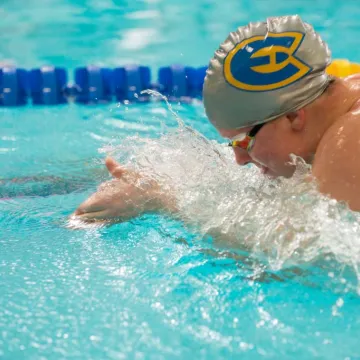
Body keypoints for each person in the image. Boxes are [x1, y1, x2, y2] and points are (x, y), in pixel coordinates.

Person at [73, 14, 360, 223]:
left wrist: (161, 200)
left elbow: (309, 257)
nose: (240, 159)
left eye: (244, 140)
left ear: (293, 116)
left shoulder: (348, 138)